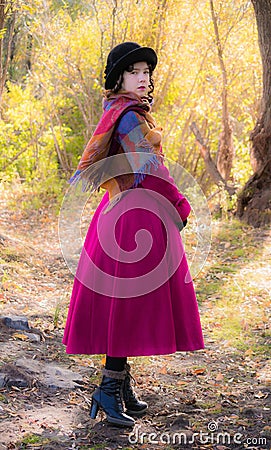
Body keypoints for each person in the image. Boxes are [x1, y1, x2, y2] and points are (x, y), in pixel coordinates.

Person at [62, 42, 204, 427]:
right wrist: (180, 205)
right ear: (119, 77)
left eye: (146, 72)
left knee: (125, 306)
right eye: (135, 72)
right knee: (124, 307)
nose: (144, 78)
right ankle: (107, 391)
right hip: (130, 219)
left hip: (128, 213)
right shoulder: (127, 117)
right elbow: (153, 168)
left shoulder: (125, 112)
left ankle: (118, 386)